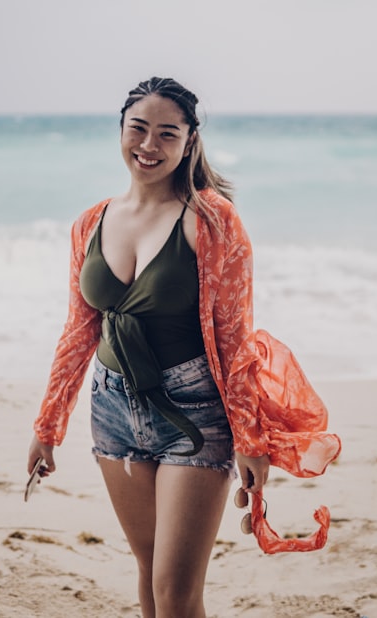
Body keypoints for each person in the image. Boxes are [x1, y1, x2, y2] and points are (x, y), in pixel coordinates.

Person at [27, 77, 313, 617]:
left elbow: (235, 338)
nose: (149, 145)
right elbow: (79, 330)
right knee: (148, 571)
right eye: (138, 128)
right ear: (121, 131)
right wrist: (47, 427)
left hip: (194, 411)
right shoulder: (91, 222)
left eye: (166, 133)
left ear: (190, 141)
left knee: (176, 593)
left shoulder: (213, 219)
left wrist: (250, 437)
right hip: (111, 408)